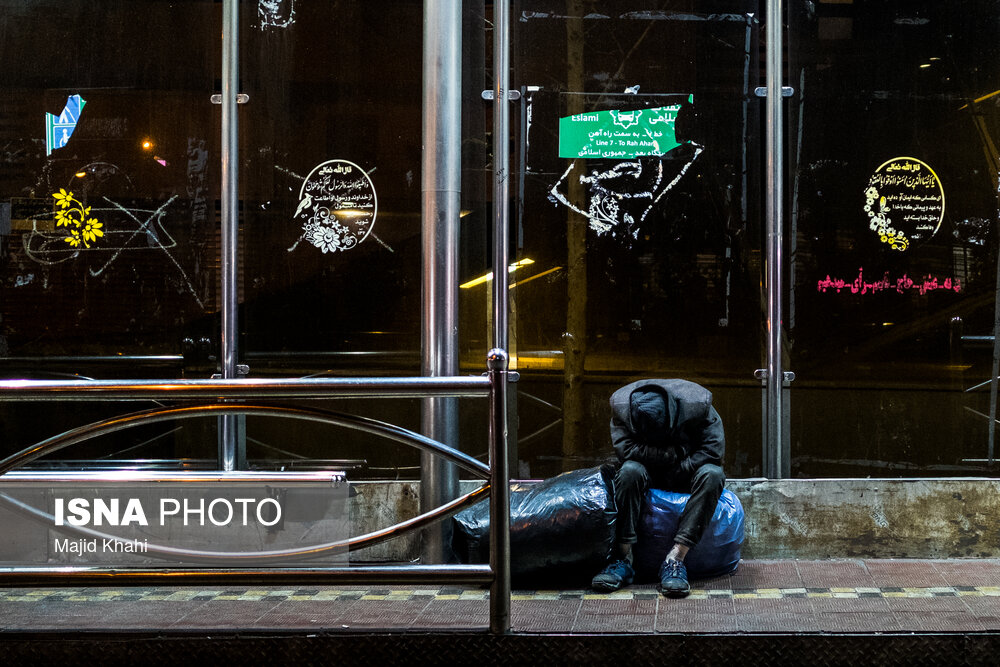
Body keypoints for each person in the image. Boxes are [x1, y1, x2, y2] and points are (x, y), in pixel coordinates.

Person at [591, 379, 726, 598]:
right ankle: (623, 557)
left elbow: (713, 451)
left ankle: (676, 558)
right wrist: (674, 453)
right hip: (650, 468)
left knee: (713, 474)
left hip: (686, 469)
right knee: (629, 471)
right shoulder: (622, 410)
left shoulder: (699, 406)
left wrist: (679, 467)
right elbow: (626, 451)